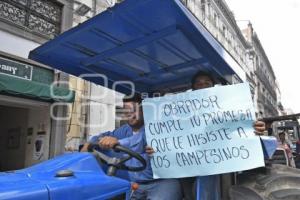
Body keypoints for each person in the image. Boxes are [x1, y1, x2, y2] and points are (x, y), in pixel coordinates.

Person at [179, 70, 266, 200]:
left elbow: (239, 129)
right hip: (190, 163)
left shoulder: (227, 108)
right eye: (199, 84)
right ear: (193, 89)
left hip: (219, 163)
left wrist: (254, 129)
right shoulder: (181, 112)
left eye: (207, 83)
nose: (203, 86)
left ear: (213, 87)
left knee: (224, 189)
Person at [81, 94, 182, 200]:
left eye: (133, 110)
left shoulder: (156, 127)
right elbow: (104, 136)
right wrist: (89, 143)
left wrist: (118, 143)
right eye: (126, 110)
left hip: (162, 182)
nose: (130, 114)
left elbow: (140, 140)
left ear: (143, 110)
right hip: (135, 184)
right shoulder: (124, 130)